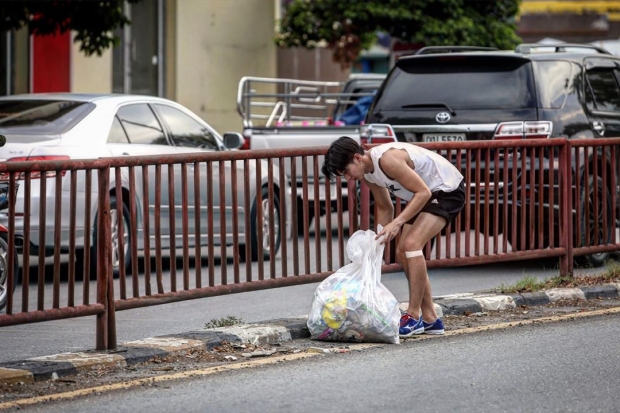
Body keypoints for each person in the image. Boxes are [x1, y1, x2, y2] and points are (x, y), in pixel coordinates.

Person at [321, 136, 465, 337]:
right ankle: (431, 319)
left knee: (412, 245)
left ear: (357, 158)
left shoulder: (387, 160)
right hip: (426, 195)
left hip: (446, 190)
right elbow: (384, 206)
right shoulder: (368, 174)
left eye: (346, 171)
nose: (348, 178)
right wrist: (378, 240)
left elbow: (422, 192)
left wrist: (397, 223)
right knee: (402, 251)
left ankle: (413, 316)